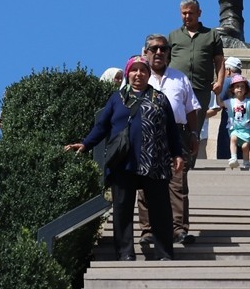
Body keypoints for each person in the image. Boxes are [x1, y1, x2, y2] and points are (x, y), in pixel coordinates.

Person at [66, 55, 185, 262]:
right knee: (123, 209)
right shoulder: (116, 98)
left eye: (143, 70)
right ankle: (125, 253)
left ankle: (164, 252)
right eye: (134, 70)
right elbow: (102, 126)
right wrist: (86, 144)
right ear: (128, 73)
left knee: (161, 210)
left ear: (148, 74)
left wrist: (177, 154)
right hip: (123, 162)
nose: (138, 74)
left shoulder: (159, 98)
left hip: (154, 162)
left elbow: (171, 131)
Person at [141, 33, 202, 245]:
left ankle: (178, 229)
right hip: (146, 136)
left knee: (177, 184)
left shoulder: (180, 77)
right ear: (145, 52)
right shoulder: (137, 76)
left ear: (169, 53)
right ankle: (148, 230)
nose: (159, 52)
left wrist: (194, 134)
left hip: (177, 134)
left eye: (163, 49)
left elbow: (191, 109)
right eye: (154, 49)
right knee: (145, 183)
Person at [167, 0, 226, 155]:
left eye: (190, 13)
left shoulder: (211, 35)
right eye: (184, 13)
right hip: (176, 88)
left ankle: (189, 162)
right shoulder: (173, 36)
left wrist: (220, 81)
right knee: (175, 124)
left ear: (199, 13)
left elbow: (219, 61)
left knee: (195, 128)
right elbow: (164, 64)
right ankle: (176, 158)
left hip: (201, 89)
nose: (187, 16)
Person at [213, 56, 250, 161]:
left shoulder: (227, 82)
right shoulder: (249, 86)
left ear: (229, 70)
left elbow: (219, 104)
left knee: (226, 157)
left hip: (230, 127)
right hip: (246, 128)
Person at [222, 74, 250, 170]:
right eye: (237, 87)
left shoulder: (248, 102)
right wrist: (217, 94)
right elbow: (220, 104)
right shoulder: (230, 102)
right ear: (233, 89)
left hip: (246, 129)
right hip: (234, 127)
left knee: (245, 146)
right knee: (233, 139)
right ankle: (234, 157)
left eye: (242, 87)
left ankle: (246, 161)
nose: (240, 89)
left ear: (246, 90)